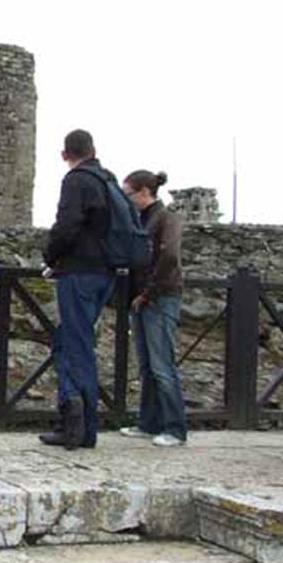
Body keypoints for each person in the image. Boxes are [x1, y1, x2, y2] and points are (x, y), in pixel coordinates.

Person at [39, 129, 117, 450]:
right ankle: (83, 426)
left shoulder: (76, 181)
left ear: (64, 155)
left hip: (79, 274)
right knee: (74, 342)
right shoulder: (109, 180)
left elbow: (67, 226)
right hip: (106, 274)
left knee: (75, 346)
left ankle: (76, 425)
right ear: (94, 149)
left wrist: (50, 258)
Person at [119, 170, 187, 446]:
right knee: (147, 365)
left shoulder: (167, 217)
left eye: (129, 194)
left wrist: (148, 293)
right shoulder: (141, 219)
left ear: (145, 192)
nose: (126, 199)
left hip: (159, 297)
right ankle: (149, 423)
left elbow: (169, 256)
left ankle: (175, 428)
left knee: (162, 365)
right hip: (142, 297)